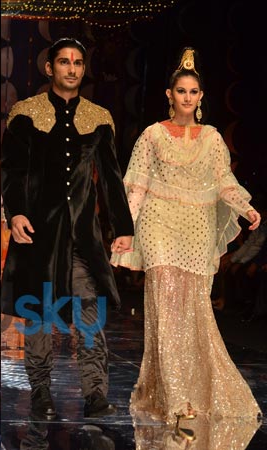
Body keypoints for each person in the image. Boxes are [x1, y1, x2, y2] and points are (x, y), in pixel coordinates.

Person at [111, 47, 262, 436]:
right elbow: (137, 184)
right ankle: (176, 399)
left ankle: (189, 392)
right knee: (164, 306)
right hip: (158, 225)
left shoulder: (211, 138)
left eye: (194, 92)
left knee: (194, 309)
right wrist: (125, 229)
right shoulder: (152, 134)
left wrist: (246, 207)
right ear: (169, 94)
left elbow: (223, 180)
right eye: (181, 91)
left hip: (196, 229)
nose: (187, 97)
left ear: (201, 96)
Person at [1, 37, 134, 420]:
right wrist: (16, 213)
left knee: (90, 315)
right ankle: (41, 392)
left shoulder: (99, 117)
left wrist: (122, 226)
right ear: (50, 68)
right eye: (64, 62)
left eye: (78, 62)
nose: (72, 68)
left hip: (81, 237)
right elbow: (13, 171)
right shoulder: (26, 114)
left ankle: (95, 394)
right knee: (39, 317)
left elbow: (111, 178)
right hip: (39, 233)